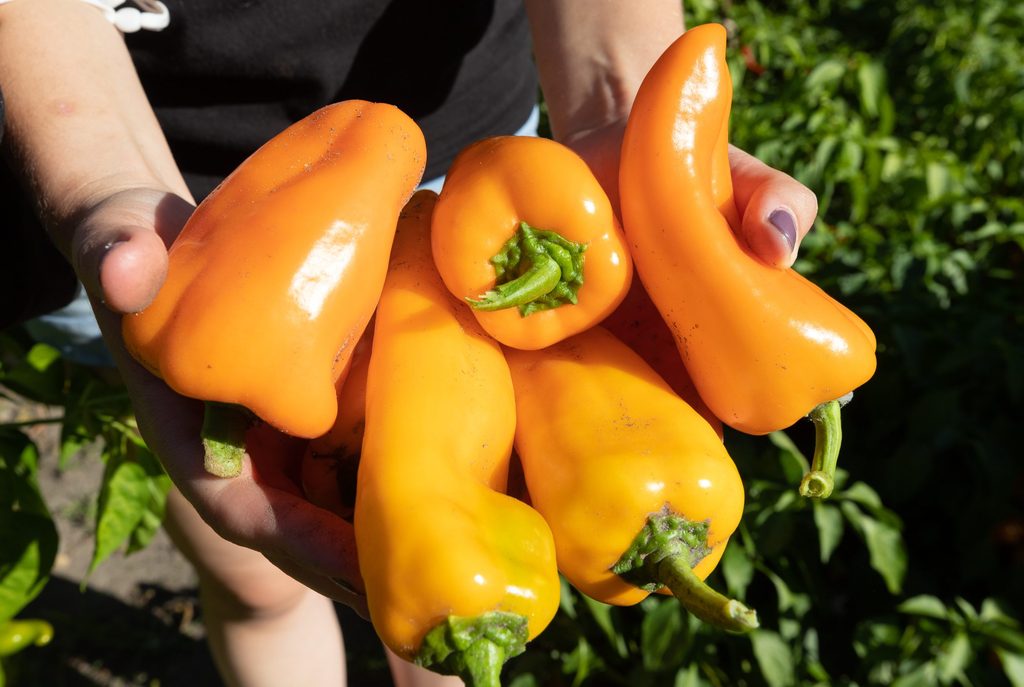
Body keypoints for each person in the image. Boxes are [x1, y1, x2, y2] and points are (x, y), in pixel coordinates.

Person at [0, 1, 819, 685]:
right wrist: (93, 171)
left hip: (493, 183)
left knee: (428, 588)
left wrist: (623, 114)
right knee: (262, 580)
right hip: (153, 212)